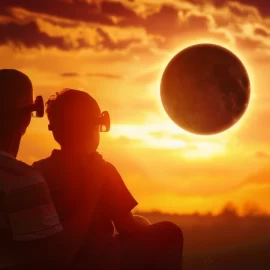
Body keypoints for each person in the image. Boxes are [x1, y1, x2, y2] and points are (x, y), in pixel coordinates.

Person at [33, 88, 184, 269]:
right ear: (93, 128)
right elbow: (127, 226)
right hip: (102, 260)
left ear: (55, 131)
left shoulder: (38, 171)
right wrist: (143, 224)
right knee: (170, 233)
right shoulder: (102, 170)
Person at [0, 70, 102, 269]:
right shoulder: (22, 181)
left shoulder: (32, 174)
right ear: (27, 117)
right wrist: (93, 190)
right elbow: (55, 260)